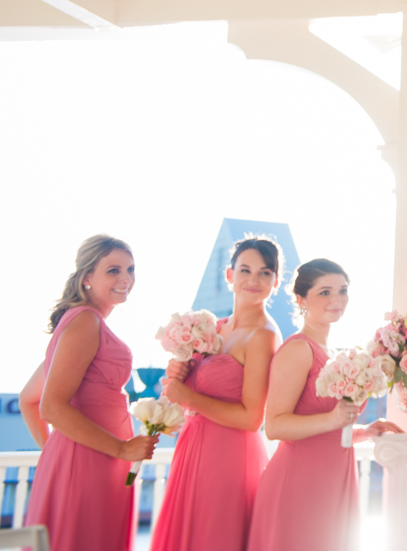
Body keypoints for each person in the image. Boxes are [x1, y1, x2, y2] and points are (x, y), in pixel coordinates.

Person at [246, 259, 400, 551]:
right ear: (301, 300)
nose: (337, 299)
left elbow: (325, 429)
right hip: (299, 483)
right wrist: (333, 419)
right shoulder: (298, 349)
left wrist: (361, 431)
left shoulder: (335, 354)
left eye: (342, 290)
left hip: (335, 478)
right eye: (325, 292)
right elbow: (276, 426)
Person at [19, 236, 158, 551]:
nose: (126, 279)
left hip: (86, 461)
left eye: (130, 269)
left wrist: (57, 454)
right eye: (113, 270)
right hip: (92, 464)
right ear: (86, 278)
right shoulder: (84, 321)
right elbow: (50, 407)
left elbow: (29, 399)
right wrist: (121, 449)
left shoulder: (81, 321)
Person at [150, 238, 283, 551]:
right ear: (229, 275)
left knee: (213, 538)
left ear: (275, 282)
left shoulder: (263, 336)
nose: (253, 280)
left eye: (265, 273)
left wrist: (190, 397)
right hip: (192, 448)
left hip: (228, 457)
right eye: (245, 270)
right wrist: (178, 373)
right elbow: (180, 396)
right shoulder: (215, 328)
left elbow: (252, 419)